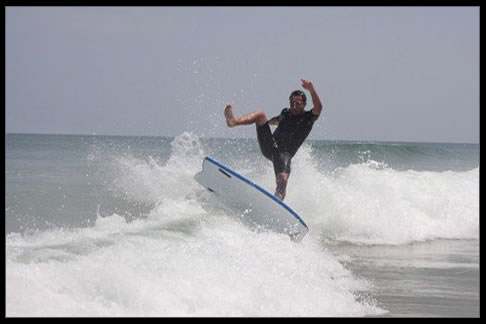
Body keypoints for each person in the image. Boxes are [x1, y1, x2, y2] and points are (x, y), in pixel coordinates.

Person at [224, 79, 323, 200]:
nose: (294, 105)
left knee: (282, 181)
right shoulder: (285, 113)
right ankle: (233, 121)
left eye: (298, 103)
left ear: (304, 104)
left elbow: (318, 107)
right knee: (260, 115)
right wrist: (265, 125)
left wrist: (311, 89)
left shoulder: (308, 118)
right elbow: (275, 121)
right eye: (292, 103)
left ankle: (277, 203)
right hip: (270, 146)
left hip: (285, 155)